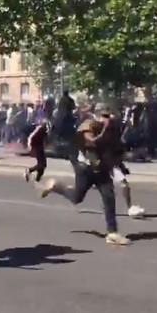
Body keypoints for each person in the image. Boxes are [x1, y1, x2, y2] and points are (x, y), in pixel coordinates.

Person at [40, 103, 130, 245]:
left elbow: (114, 149)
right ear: (98, 115)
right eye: (106, 115)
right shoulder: (88, 125)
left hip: (102, 168)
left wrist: (120, 165)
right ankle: (56, 186)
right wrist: (105, 130)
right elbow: (91, 142)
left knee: (109, 197)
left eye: (110, 116)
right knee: (77, 198)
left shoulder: (112, 130)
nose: (109, 118)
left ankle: (112, 232)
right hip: (85, 168)